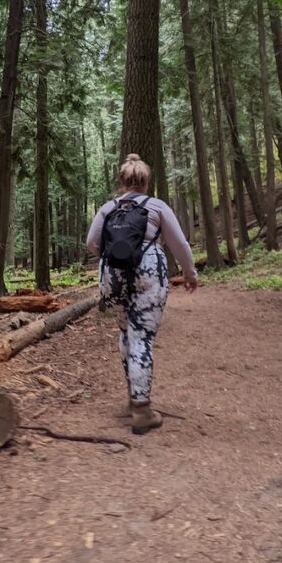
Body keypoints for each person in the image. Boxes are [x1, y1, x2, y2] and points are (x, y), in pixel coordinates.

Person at [86, 153, 199, 435]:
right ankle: (141, 408)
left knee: (126, 333)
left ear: (122, 182)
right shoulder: (157, 207)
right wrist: (189, 274)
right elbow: (180, 245)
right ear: (146, 183)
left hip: (111, 275)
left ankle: (133, 394)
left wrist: (113, 258)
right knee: (143, 337)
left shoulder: (108, 208)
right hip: (149, 273)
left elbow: (91, 242)